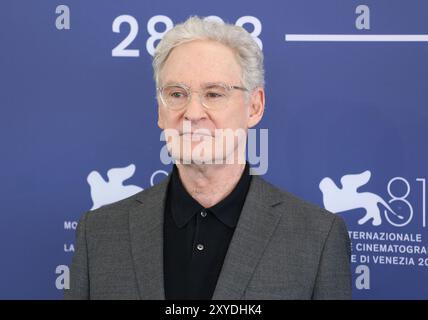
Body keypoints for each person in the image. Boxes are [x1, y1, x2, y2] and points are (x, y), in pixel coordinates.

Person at [65, 16, 352, 300]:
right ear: (159, 111)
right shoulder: (99, 233)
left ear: (254, 106)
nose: (192, 113)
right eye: (176, 94)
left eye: (214, 94)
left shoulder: (318, 238)